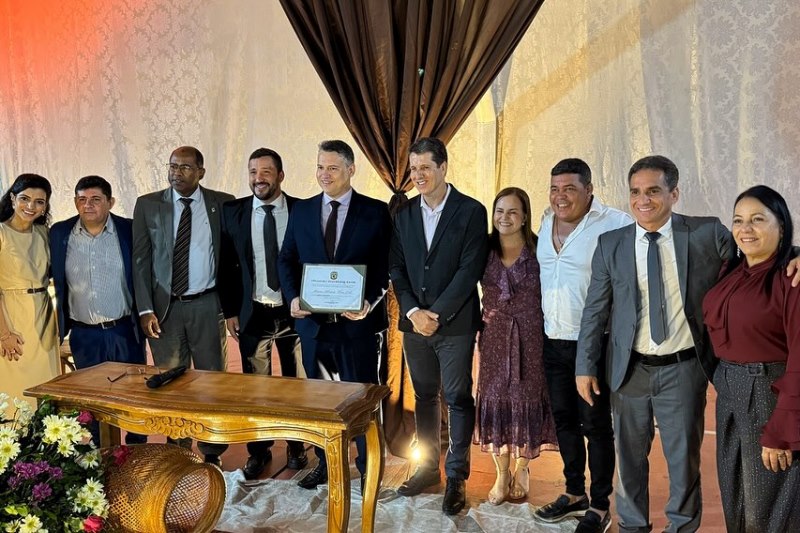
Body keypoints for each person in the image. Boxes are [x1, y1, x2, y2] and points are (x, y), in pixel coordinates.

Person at [573, 155, 799, 532]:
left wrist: (797, 254)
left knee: (683, 464)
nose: (643, 200)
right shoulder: (611, 244)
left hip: (683, 368)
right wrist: (584, 365)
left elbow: (756, 256)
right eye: (635, 192)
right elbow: (594, 309)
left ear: (674, 194)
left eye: (653, 191)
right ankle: (632, 527)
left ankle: (681, 528)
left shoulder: (707, 233)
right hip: (629, 371)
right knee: (628, 463)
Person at [277, 139, 391, 492]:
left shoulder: (375, 211)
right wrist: (293, 297)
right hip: (314, 328)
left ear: (351, 170)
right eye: (320, 167)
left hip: (357, 328)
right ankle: (326, 465)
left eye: (332, 168)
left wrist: (368, 301)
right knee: (321, 404)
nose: (324, 174)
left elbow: (385, 266)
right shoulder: (302, 210)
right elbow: (286, 259)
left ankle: (368, 467)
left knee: (361, 403)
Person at [389, 137, 488, 515]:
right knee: (425, 396)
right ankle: (428, 468)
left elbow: (469, 269)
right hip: (414, 325)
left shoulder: (472, 211)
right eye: (413, 169)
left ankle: (457, 476)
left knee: (459, 399)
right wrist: (415, 312)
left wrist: (438, 315)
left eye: (425, 168)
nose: (418, 175)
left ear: (443, 167)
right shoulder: (404, 215)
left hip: (455, 326)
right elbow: (396, 268)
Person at [535, 158, 632, 533]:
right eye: (555, 189)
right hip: (552, 340)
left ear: (589, 190)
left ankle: (600, 505)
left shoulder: (615, 223)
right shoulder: (545, 221)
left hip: (592, 344)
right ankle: (574, 492)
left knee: (595, 425)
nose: (560, 196)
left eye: (569, 189)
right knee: (564, 421)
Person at [702, 185, 800, 532]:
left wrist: (782, 430)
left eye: (758, 219)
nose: (746, 228)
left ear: (781, 226)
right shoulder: (733, 269)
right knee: (736, 496)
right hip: (729, 388)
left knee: (768, 506)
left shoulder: (791, 278)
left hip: (769, 391)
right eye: (739, 220)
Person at [132, 145, 234, 464]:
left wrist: (232, 307)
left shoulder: (223, 203)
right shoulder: (148, 205)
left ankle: (212, 451)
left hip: (207, 304)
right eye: (173, 166)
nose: (177, 172)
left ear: (201, 172)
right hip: (165, 309)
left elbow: (233, 259)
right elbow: (140, 261)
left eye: (186, 167)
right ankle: (178, 449)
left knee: (211, 379)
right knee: (171, 380)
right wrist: (145, 309)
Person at [219, 147, 307, 479]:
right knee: (257, 389)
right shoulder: (232, 212)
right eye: (253, 171)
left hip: (295, 313)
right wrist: (230, 310)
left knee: (297, 386)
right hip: (253, 312)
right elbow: (226, 265)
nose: (259, 178)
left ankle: (297, 445)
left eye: (266, 172)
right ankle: (259, 450)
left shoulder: (302, 210)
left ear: (280, 176)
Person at [474, 187, 558, 506]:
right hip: (494, 335)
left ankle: (522, 468)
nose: (504, 218)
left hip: (532, 336)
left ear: (524, 217)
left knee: (527, 399)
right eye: (499, 211)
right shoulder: (482, 247)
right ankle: (501, 473)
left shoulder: (541, 248)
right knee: (495, 399)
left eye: (512, 212)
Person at [50, 175, 147, 445]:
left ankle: (137, 451)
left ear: (110, 202)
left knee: (133, 396)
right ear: (75, 202)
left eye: (95, 199)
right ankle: (99, 453)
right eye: (82, 199)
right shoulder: (60, 233)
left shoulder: (129, 229)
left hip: (124, 330)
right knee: (91, 401)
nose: (88, 205)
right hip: (84, 335)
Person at [0, 174, 59, 406]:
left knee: (46, 386)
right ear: (12, 198)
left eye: (39, 202)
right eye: (24, 198)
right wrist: (4, 334)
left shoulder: (45, 233)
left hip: (44, 316)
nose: (31, 206)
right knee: (14, 389)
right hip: (11, 316)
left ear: (45, 206)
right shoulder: (1, 233)